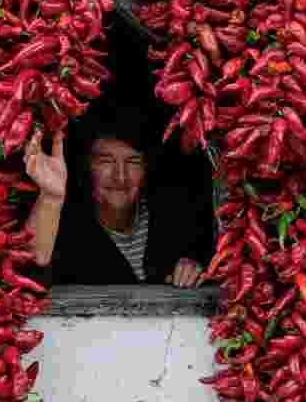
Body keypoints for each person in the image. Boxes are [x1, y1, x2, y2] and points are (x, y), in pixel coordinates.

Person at [20, 101, 215, 287]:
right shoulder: (66, 224)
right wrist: (50, 197)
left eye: (133, 162)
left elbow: (209, 259)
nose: (120, 177)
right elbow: (30, 266)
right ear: (86, 167)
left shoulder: (175, 218)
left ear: (147, 169)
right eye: (106, 161)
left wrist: (194, 268)